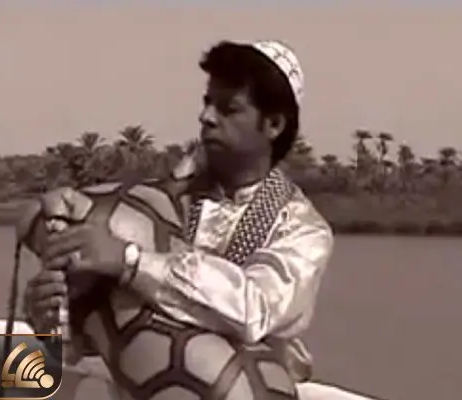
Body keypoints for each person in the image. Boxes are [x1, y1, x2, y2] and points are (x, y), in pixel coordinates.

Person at [20, 39, 334, 397]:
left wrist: (130, 262)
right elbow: (94, 339)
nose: (207, 117)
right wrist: (53, 318)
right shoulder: (157, 200)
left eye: (228, 109)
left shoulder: (302, 231)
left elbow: (253, 308)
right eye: (207, 102)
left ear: (273, 124)